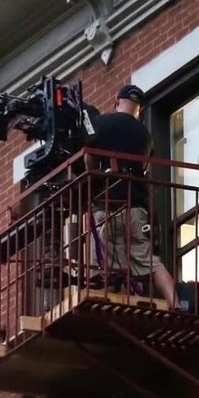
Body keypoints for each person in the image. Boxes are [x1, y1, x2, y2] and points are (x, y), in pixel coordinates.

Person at [84, 84, 178, 307]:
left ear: (117, 100)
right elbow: (144, 167)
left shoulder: (102, 123)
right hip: (136, 207)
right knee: (151, 262)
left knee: (105, 265)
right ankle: (176, 304)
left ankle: (110, 303)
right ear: (140, 109)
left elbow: (89, 157)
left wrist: (92, 175)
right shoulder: (146, 136)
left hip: (107, 205)